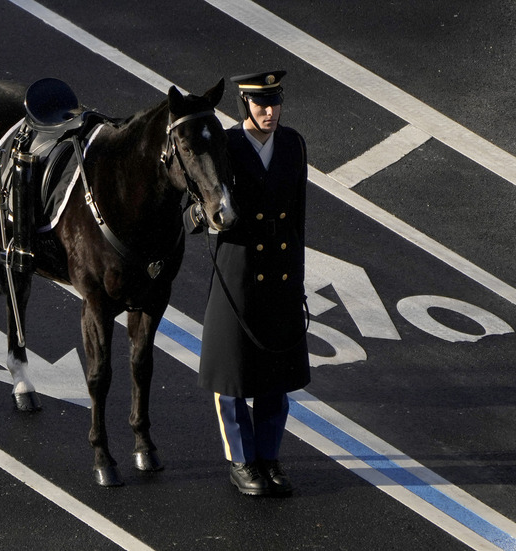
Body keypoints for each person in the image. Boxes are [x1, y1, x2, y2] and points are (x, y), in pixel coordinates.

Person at [184, 70, 311, 496]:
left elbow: (298, 216)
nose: (271, 112)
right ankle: (241, 461)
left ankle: (269, 457)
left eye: (275, 103)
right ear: (245, 106)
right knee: (232, 378)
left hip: (280, 273)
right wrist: (202, 217)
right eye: (261, 105)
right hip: (237, 273)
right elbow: (191, 209)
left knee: (276, 375)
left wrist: (299, 276)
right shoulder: (225, 146)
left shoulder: (293, 145)